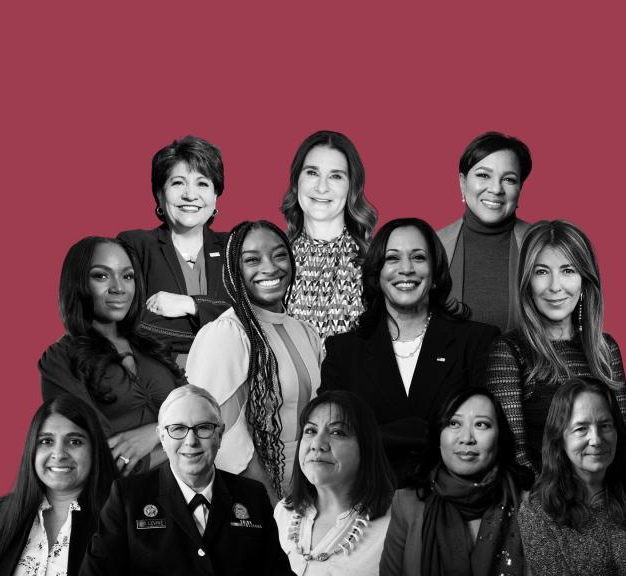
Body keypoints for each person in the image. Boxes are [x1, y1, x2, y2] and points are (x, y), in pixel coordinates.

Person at [321, 218, 499, 486]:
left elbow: (488, 432)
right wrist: (425, 433)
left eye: (418, 257)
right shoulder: (343, 351)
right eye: (392, 258)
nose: (406, 269)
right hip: (369, 503)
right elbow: (333, 435)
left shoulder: (477, 341)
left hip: (452, 503)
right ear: (377, 274)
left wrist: (378, 436)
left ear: (435, 272)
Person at [80, 385, 294, 576]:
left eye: (203, 428)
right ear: (162, 438)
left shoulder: (252, 496)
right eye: (178, 429)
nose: (191, 441)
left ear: (220, 435)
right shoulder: (128, 497)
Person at [186, 220, 322, 502]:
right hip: (257, 495)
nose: (270, 267)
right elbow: (224, 436)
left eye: (279, 255)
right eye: (252, 260)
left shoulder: (305, 331)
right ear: (234, 270)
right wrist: (271, 506)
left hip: (312, 486)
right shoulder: (228, 333)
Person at [485, 220, 626, 475]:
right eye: (542, 272)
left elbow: (625, 448)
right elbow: (516, 460)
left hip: (610, 503)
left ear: (585, 282)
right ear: (527, 283)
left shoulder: (605, 349)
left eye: (567, 270)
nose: (555, 286)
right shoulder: (509, 351)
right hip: (542, 504)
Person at [40, 236, 183, 476]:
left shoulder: (153, 345)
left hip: (194, 496)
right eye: (101, 275)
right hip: (123, 504)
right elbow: (109, 462)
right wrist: (185, 439)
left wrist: (159, 431)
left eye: (127, 276)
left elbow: (207, 417)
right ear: (77, 283)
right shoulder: (60, 360)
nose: (119, 287)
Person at [519, 378, 626, 575]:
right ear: (560, 438)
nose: (596, 439)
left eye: (605, 425)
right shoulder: (537, 512)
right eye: (581, 429)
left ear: (617, 430)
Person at [380, 388, 527, 576]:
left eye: (481, 424)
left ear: (500, 437)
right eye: (454, 423)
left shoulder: (530, 505)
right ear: (438, 436)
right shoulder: (406, 503)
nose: (466, 438)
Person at [118, 135, 231, 366]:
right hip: (162, 387)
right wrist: (223, 327)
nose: (190, 194)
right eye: (178, 183)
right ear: (160, 194)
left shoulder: (235, 247)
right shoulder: (135, 245)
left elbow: (257, 321)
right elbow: (130, 324)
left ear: (215, 196)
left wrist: (191, 305)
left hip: (232, 385)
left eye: (202, 184)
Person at [0, 395, 117, 576]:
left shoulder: (120, 516)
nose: (58, 454)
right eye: (46, 441)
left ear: (94, 450)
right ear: (32, 450)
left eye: (75, 441)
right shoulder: (1, 513)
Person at [274, 391, 395, 576]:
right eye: (310, 431)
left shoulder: (396, 523)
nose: (317, 443)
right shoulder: (283, 512)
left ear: (366, 447)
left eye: (337, 432)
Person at [281, 130, 378, 339]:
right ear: (297, 179)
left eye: (335, 176)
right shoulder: (274, 258)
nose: (322, 187)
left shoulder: (374, 260)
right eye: (312, 173)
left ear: (351, 186)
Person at [437, 131, 533, 332]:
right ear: (462, 182)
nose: (496, 189)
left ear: (520, 188)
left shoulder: (541, 245)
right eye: (483, 175)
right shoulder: (433, 246)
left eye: (509, 179)